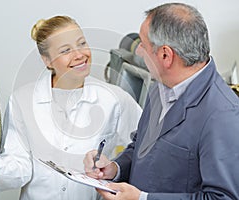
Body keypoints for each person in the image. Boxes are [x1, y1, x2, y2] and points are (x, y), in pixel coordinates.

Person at [0, 15, 142, 199]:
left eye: (82, 43)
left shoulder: (114, 99)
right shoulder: (22, 100)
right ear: (47, 60)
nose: (79, 54)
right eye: (66, 50)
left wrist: (114, 168)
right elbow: (20, 166)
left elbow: (145, 149)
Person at [84, 3, 239, 200]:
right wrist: (114, 169)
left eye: (143, 44)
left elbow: (222, 198)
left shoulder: (223, 115)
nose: (139, 51)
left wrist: (142, 199)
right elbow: (141, 148)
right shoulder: (161, 86)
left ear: (166, 55)